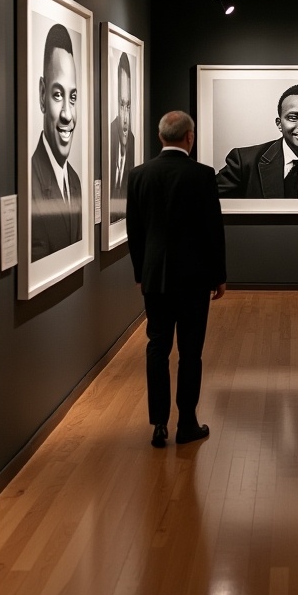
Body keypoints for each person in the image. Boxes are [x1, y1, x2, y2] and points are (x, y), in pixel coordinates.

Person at [127, 111, 227, 447]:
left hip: (155, 277)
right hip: (194, 277)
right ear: (189, 137)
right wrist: (219, 276)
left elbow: (134, 231)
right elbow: (213, 230)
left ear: (161, 137)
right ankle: (187, 423)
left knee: (157, 347)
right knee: (190, 352)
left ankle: (158, 425)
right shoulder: (201, 175)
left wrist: (141, 272)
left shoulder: (140, 175)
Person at [31, 23, 82, 261]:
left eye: (72, 98)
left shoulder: (75, 182)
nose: (67, 114)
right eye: (57, 94)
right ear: (42, 95)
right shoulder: (30, 184)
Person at [109, 51, 134, 223]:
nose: (125, 119)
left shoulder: (133, 141)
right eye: (121, 105)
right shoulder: (106, 139)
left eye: (129, 106)